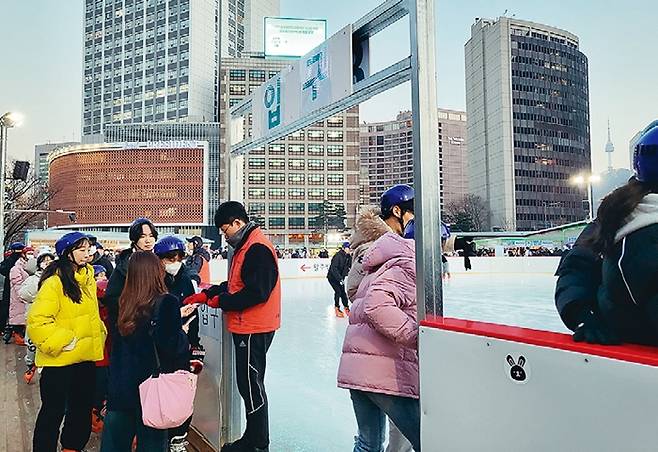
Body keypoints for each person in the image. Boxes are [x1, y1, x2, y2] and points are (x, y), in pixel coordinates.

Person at [184, 201, 280, 452]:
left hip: (253, 327)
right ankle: (253, 437)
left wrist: (222, 301)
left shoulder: (256, 247)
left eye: (226, 230)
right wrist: (209, 294)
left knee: (251, 385)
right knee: (248, 384)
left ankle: (258, 444)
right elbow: (237, 283)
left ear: (237, 223)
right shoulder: (246, 245)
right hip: (246, 325)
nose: (225, 237)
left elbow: (258, 292)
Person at [556, 125, 658, 345]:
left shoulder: (615, 212)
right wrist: (582, 314)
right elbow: (577, 266)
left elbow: (575, 268)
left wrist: (582, 313)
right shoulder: (616, 216)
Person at [338, 226, 420, 451]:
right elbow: (376, 305)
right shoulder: (408, 263)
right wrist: (416, 336)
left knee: (368, 444)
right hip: (384, 370)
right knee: (427, 438)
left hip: (358, 366)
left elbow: (357, 295)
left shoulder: (379, 264)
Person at [100, 251, 192, 452]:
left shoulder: (124, 301)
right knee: (152, 444)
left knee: (115, 443)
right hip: (151, 387)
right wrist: (181, 330)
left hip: (121, 386)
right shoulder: (166, 301)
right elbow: (172, 347)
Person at [27, 232, 107, 452]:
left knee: (81, 410)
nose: (87, 253)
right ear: (67, 253)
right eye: (81, 249)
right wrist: (65, 341)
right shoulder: (54, 282)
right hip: (59, 361)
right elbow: (37, 322)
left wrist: (100, 333)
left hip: (86, 358)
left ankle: (72, 447)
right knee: (52, 412)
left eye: (88, 248)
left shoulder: (88, 278)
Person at [154, 236, 202, 451]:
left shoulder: (187, 280)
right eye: (169, 258)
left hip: (182, 345)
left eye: (178, 257)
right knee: (160, 392)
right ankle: (158, 435)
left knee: (182, 393)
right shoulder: (154, 280)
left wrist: (195, 345)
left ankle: (179, 437)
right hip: (159, 345)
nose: (174, 261)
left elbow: (195, 314)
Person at [105, 217, 158, 324]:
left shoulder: (159, 258)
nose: (148, 240)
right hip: (130, 323)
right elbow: (112, 297)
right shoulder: (124, 264)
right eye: (143, 237)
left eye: (151, 236)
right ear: (134, 239)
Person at [20, 251, 55, 383]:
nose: (47, 263)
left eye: (50, 260)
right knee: (32, 345)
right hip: (35, 317)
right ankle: (30, 366)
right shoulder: (32, 280)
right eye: (44, 260)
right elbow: (23, 294)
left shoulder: (58, 278)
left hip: (52, 320)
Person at [5, 246, 35, 344]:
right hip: (19, 297)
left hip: (28, 296)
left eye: (32, 253)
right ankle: (17, 334)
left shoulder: (32, 265)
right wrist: (22, 295)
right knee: (18, 316)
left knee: (24, 317)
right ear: (23, 254)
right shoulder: (16, 268)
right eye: (28, 253)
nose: (30, 255)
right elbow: (17, 283)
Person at [0, 242, 26, 334]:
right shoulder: (20, 262)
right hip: (19, 287)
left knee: (6, 306)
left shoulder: (8, 261)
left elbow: (2, 269)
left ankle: (2, 327)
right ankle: (17, 330)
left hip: (8, 286)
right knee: (19, 308)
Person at [328, 242, 352, 317]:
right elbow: (333, 268)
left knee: (343, 293)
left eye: (350, 248)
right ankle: (337, 308)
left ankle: (346, 307)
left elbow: (350, 266)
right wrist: (339, 279)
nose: (349, 250)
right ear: (343, 248)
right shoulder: (337, 256)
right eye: (348, 248)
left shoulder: (348, 257)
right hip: (333, 277)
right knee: (338, 291)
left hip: (341, 277)